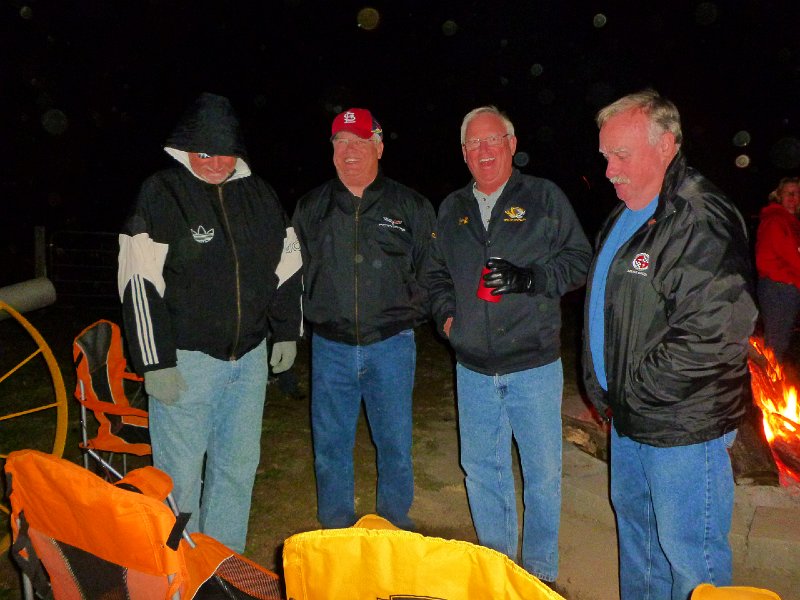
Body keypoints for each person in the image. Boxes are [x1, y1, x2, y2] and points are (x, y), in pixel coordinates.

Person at [583, 89, 758, 599]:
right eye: (605, 156)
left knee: (690, 561)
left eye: (622, 155)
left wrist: (634, 391)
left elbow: (715, 332)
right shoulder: (625, 213)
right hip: (631, 419)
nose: (610, 169)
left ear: (666, 145)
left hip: (682, 427)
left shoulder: (698, 214)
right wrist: (609, 394)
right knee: (638, 542)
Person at [118, 92, 302, 553]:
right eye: (204, 153)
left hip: (249, 362)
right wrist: (154, 361)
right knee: (180, 478)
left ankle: (222, 567)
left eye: (225, 152)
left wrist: (287, 331)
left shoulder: (260, 195)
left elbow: (288, 265)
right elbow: (138, 280)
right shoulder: (162, 193)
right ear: (185, 150)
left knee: (236, 470)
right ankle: (180, 573)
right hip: (186, 363)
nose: (216, 162)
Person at [426, 105, 592, 584]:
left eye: (492, 140)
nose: (483, 151)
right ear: (463, 153)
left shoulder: (543, 197)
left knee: (542, 478)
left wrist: (531, 278)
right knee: (481, 471)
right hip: (473, 368)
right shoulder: (453, 207)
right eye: (473, 144)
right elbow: (436, 273)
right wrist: (447, 318)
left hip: (533, 366)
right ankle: (497, 572)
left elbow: (580, 259)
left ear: (511, 145)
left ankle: (537, 578)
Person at [292, 108, 436, 530]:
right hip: (330, 347)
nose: (348, 151)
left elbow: (432, 270)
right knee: (331, 446)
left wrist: (410, 315)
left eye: (358, 141)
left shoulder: (409, 205)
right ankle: (336, 528)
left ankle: (394, 525)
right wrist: (289, 331)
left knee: (394, 443)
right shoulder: (311, 207)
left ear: (378, 146)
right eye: (340, 142)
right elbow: (289, 275)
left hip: (391, 345)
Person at [755, 176, 800, 363]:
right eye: (789, 193)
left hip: (787, 287)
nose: (794, 197)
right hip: (779, 289)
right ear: (778, 196)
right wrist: (790, 279)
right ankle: (766, 388)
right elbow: (768, 261)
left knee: (779, 341)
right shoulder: (776, 220)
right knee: (776, 344)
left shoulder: (791, 222)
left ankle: (769, 386)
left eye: (797, 193)